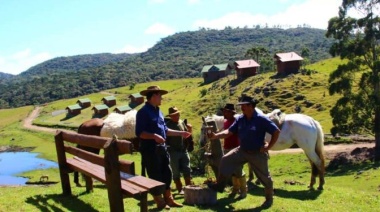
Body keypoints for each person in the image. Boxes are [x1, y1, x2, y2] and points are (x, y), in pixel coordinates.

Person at [208, 95, 280, 208]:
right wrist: (215, 136)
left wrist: (268, 147)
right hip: (242, 150)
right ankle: (220, 186)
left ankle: (269, 198)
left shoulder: (261, 119)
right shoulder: (240, 119)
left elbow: (276, 131)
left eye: (244, 106)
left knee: (265, 177)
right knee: (225, 160)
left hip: (257, 152)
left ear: (251, 106)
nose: (241, 108)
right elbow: (229, 132)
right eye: (241, 106)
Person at [135, 85, 191, 210]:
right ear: (153, 96)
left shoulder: (159, 111)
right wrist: (154, 136)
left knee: (167, 173)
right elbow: (140, 133)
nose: (161, 98)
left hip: (162, 148)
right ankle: (159, 201)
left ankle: (169, 199)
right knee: (155, 175)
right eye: (160, 95)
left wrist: (181, 133)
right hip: (150, 150)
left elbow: (165, 130)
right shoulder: (143, 112)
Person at [221, 103, 247, 199]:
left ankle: (243, 190)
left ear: (231, 112)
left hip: (235, 148)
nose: (224, 113)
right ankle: (235, 189)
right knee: (232, 170)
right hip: (227, 148)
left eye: (225, 111)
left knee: (238, 170)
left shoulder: (236, 121)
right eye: (223, 111)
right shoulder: (226, 122)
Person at [165, 106, 192, 195]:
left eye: (177, 114)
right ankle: (180, 189)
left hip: (183, 150)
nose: (176, 116)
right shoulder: (167, 126)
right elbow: (165, 139)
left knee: (187, 169)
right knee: (175, 171)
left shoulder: (181, 122)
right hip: (173, 151)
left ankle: (189, 188)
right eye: (174, 115)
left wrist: (189, 133)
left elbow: (186, 134)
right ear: (171, 116)